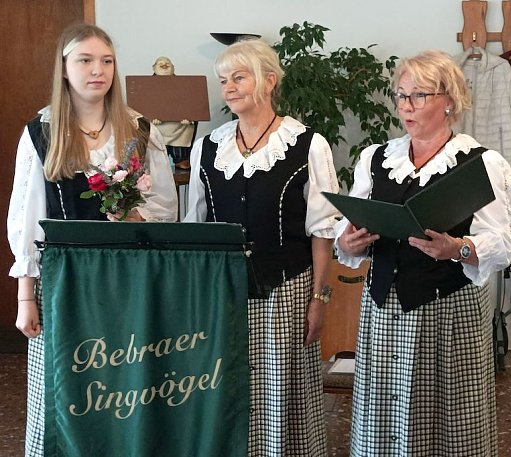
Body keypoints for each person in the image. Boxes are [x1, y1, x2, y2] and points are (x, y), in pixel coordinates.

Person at [334, 50, 511, 456]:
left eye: (418, 95)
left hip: (446, 308)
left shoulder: (480, 163)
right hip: (382, 307)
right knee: (382, 417)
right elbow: (348, 226)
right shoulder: (376, 158)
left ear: (448, 101)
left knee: (446, 422)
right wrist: (347, 242)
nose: (405, 106)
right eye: (400, 95)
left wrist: (457, 248)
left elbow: (501, 245)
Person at [8, 23, 178, 456]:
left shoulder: (139, 130)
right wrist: (26, 295)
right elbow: (27, 218)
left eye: (106, 61)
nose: (97, 70)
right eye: (84, 60)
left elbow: (164, 209)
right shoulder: (41, 133)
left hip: (129, 280)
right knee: (65, 384)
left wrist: (131, 212)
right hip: (64, 280)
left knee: (123, 383)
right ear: (64, 69)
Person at [183, 38, 340, 456]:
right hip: (221, 293)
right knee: (223, 384)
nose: (229, 87)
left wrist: (320, 299)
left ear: (269, 81)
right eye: (223, 80)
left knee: (280, 394)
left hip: (285, 290)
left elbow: (322, 231)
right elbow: (194, 225)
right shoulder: (208, 146)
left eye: (239, 77)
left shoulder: (308, 144)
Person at [150, 56, 196, 170]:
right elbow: (143, 105)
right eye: (161, 63)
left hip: (179, 126)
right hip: (157, 125)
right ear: (154, 67)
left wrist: (189, 117)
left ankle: (181, 159)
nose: (164, 65)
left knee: (186, 131)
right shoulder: (145, 86)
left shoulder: (185, 86)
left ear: (173, 67)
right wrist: (151, 117)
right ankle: (158, 160)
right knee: (154, 141)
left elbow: (192, 103)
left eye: (168, 63)